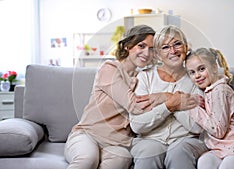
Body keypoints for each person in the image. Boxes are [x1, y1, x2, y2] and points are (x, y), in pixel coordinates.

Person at [64, 25, 167, 169]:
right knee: (88, 159)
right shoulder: (110, 68)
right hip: (88, 135)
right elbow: (134, 105)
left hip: (118, 143)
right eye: (141, 46)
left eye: (151, 49)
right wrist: (166, 97)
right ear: (127, 46)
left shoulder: (143, 78)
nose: (146, 52)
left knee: (119, 162)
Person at [129, 25, 208, 169]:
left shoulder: (196, 77)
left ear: (185, 47)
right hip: (149, 140)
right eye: (165, 47)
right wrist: (170, 105)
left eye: (177, 44)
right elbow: (137, 125)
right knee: (149, 153)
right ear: (158, 54)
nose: (173, 51)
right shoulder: (145, 77)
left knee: (179, 153)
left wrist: (166, 98)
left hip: (186, 140)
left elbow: (197, 127)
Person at [185, 48, 234, 169]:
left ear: (214, 67)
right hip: (219, 147)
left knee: (228, 167)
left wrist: (192, 108)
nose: (197, 75)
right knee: (203, 162)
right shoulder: (208, 91)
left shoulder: (220, 90)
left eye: (201, 69)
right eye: (192, 72)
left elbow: (218, 130)